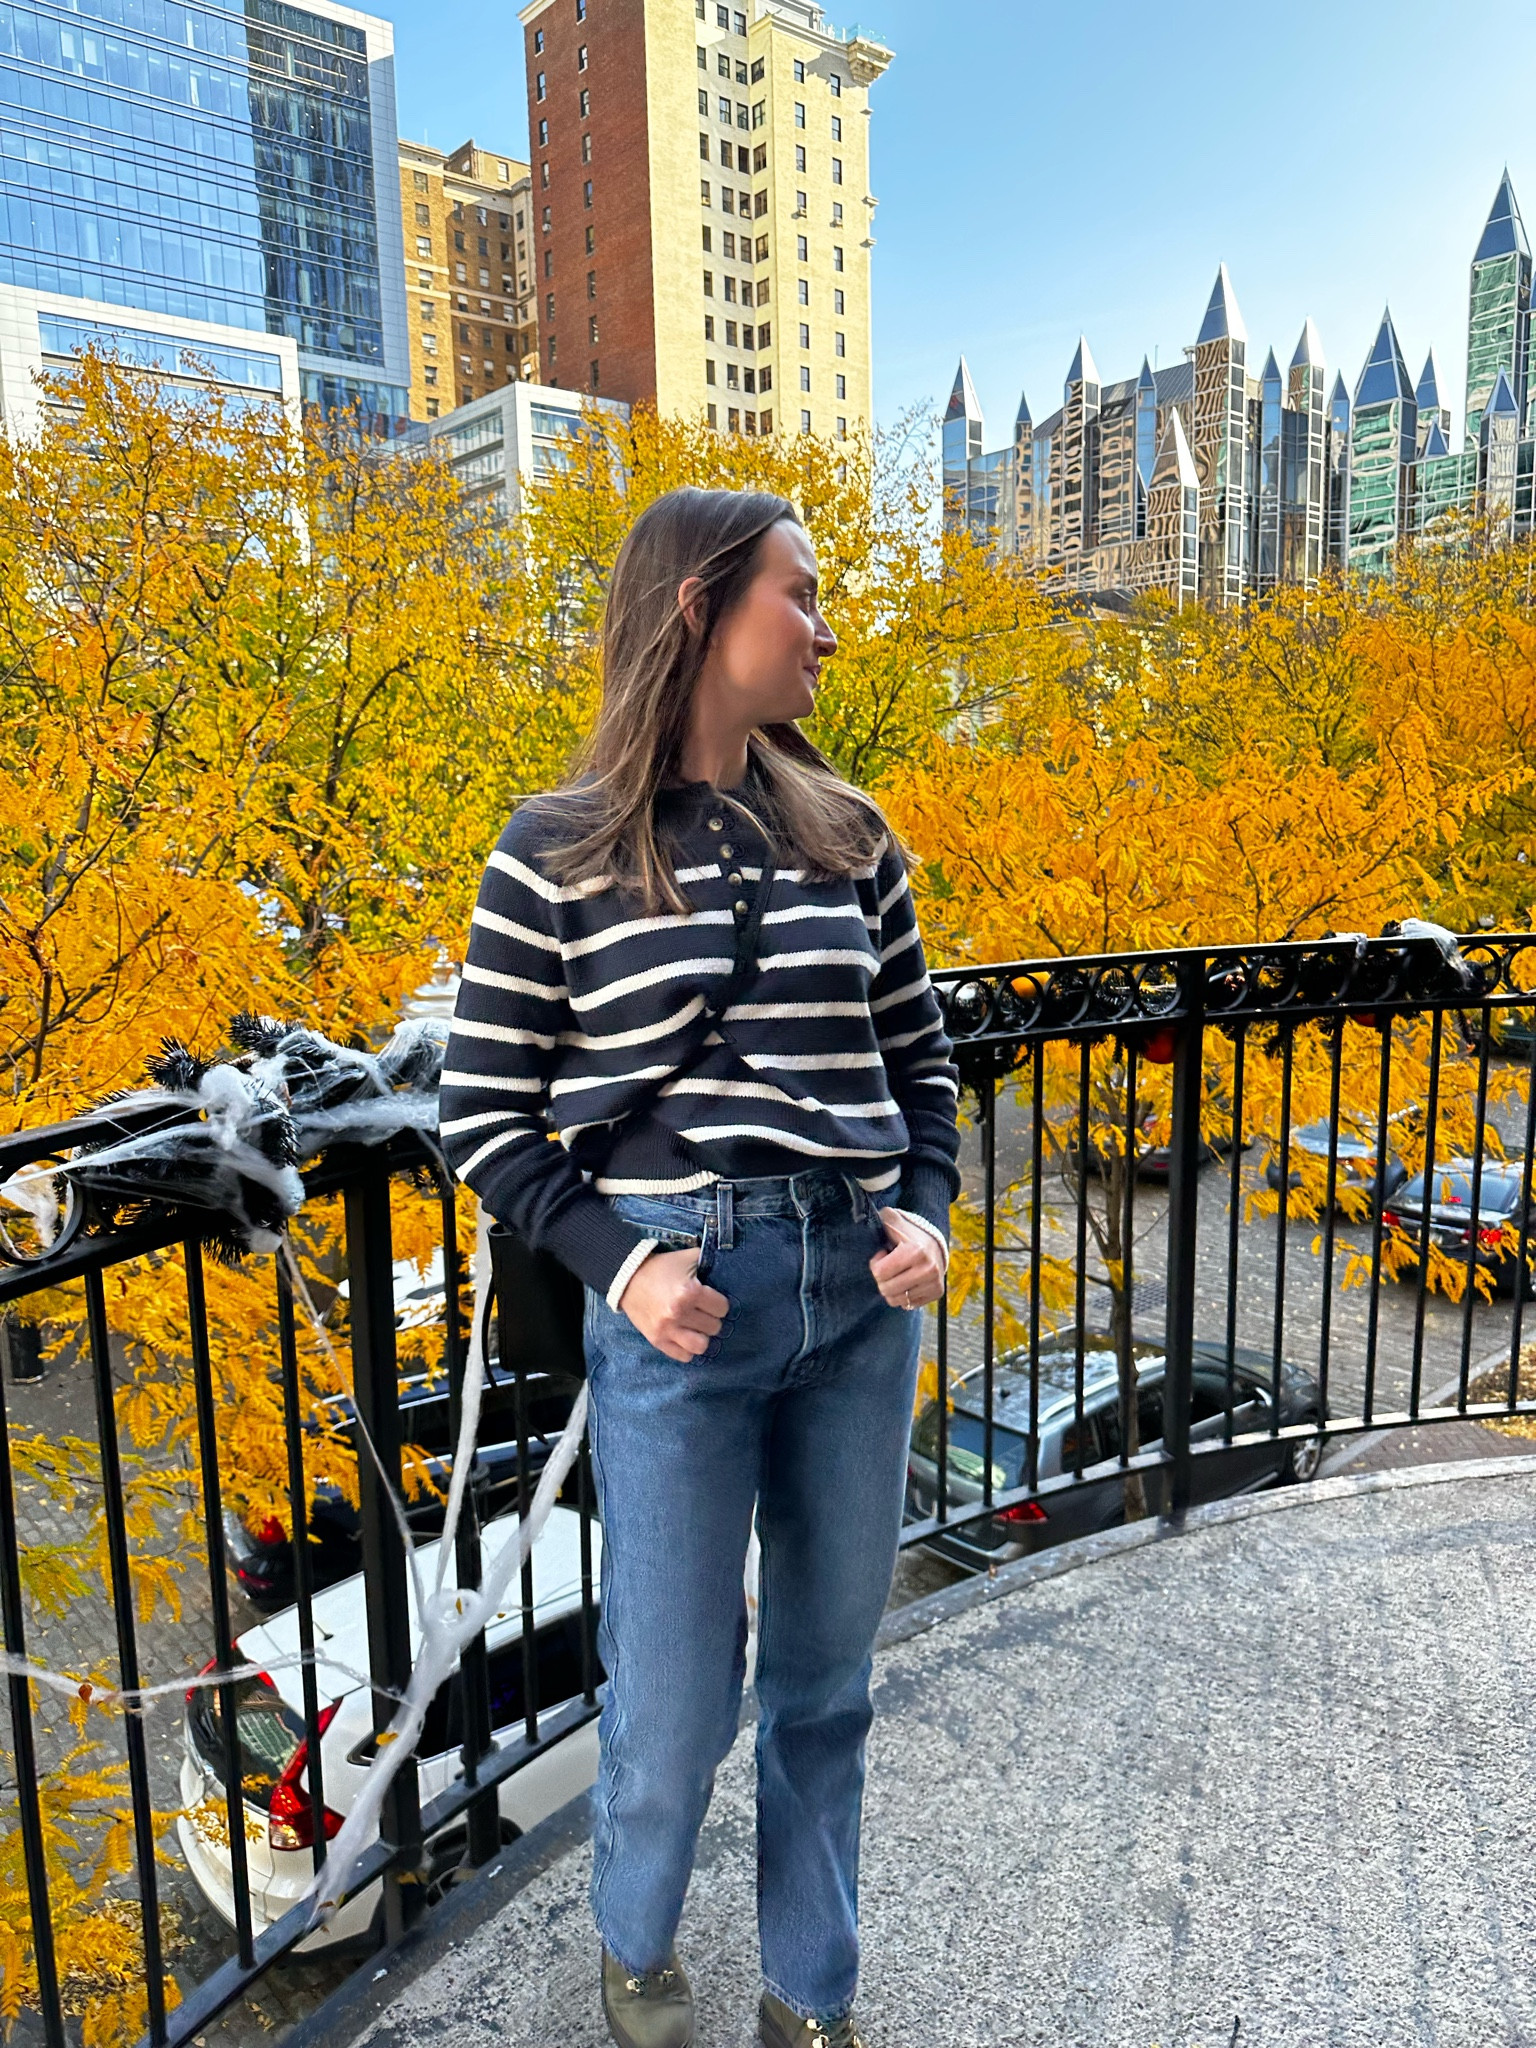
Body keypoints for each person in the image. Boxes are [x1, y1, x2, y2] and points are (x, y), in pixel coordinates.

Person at [438, 487, 959, 2048]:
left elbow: (922, 1056)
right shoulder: (555, 852)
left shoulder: (850, 834)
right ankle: (636, 1946)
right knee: (668, 1695)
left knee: (825, 1680)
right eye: (796, 594)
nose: (822, 624)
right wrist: (622, 1269)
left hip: (860, 1294)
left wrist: (927, 1205)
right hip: (684, 1306)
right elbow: (482, 1114)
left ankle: (815, 1989)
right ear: (696, 612)